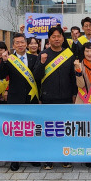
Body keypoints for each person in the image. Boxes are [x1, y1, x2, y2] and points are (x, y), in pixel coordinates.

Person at [33, 25, 77, 170]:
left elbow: (72, 77)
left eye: (59, 36)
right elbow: (37, 77)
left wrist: (74, 94)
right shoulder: (43, 54)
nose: (56, 39)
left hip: (65, 97)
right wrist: (41, 63)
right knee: (49, 129)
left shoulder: (68, 54)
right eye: (53, 36)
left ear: (63, 38)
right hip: (48, 98)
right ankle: (49, 158)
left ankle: (65, 157)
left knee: (65, 129)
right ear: (49, 39)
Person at [0, 33, 39, 171]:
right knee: (16, 130)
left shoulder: (34, 58)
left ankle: (32, 157)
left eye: (22, 42)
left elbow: (38, 77)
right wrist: (3, 61)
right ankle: (15, 158)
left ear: (26, 44)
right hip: (15, 99)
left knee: (31, 129)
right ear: (13, 45)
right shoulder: (9, 59)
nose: (20, 45)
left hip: (31, 99)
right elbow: (1, 75)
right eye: (17, 43)